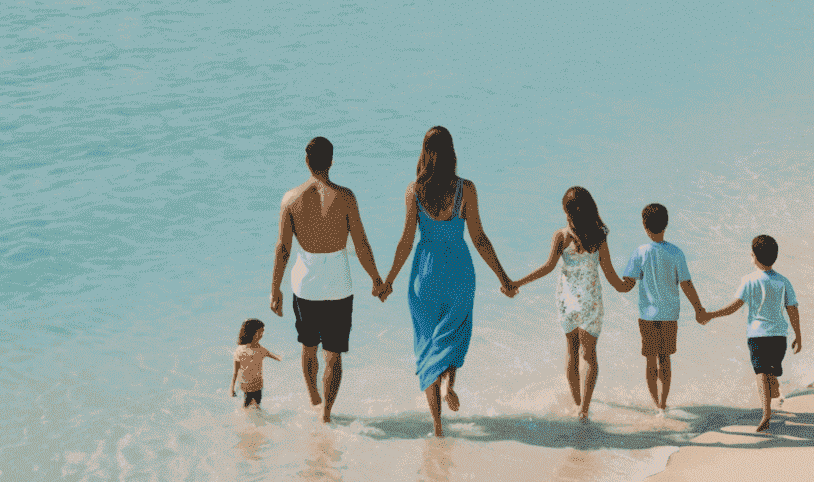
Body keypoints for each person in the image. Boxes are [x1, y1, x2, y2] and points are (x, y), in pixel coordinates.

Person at [382, 126, 515, 436]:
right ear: (452, 152)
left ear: (424, 153)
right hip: (458, 271)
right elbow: (479, 238)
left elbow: (404, 242)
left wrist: (388, 281)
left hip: (424, 275)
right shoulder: (465, 189)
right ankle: (450, 384)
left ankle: (438, 426)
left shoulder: (414, 190)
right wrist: (504, 277)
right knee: (454, 334)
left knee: (427, 346)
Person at [271, 136, 385, 424]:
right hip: (338, 281)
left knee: (308, 347)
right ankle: (326, 412)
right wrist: (376, 279)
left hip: (305, 282)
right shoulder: (346, 197)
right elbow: (361, 243)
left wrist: (275, 290)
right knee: (333, 354)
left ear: (306, 162)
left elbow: (283, 249)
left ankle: (313, 397)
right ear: (331, 161)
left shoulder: (291, 199)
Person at [509, 187, 634, 419]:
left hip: (567, 302)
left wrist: (518, 282)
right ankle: (584, 409)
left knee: (571, 353)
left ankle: (577, 403)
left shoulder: (562, 236)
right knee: (590, 355)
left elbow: (547, 267)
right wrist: (628, 284)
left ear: (567, 212)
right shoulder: (599, 237)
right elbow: (611, 276)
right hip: (590, 303)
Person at [699, 234, 801, 432]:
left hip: (757, 336)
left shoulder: (749, 280)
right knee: (767, 371)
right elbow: (792, 309)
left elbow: (735, 306)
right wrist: (798, 334)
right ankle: (768, 407)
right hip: (779, 337)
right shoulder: (783, 281)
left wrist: (712, 314)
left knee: (761, 373)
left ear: (753, 256)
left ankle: (767, 410)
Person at [621, 203, 705, 412]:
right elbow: (686, 283)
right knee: (665, 359)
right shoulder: (676, 253)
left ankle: (655, 402)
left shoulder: (640, 252)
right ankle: (664, 403)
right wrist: (698, 309)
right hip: (669, 315)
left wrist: (610, 277)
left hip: (647, 316)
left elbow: (628, 284)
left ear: (644, 225)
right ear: (666, 224)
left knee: (650, 361)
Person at [231, 318, 280, 408]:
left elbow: (276, 357)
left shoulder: (257, 349)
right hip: (249, 386)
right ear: (252, 333)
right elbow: (235, 371)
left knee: (251, 405)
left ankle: (249, 419)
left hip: (255, 385)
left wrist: (232, 388)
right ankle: (252, 419)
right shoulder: (244, 350)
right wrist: (232, 388)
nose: (262, 335)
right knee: (251, 406)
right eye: (260, 332)